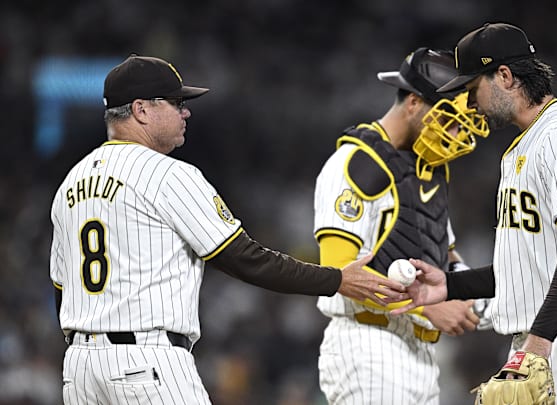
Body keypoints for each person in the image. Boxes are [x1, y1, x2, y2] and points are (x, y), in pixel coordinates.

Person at [49, 54, 409, 405]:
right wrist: (336, 279)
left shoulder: (70, 184)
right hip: (145, 364)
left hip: (80, 369)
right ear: (141, 109)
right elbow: (244, 259)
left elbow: (61, 290)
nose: (185, 111)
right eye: (175, 103)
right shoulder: (166, 174)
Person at [391, 22, 557, 404]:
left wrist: (539, 342)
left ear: (504, 76)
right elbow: (526, 270)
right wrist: (450, 286)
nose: (470, 103)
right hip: (544, 340)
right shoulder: (524, 145)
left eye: (472, 88)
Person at [312, 47, 490, 404]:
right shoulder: (358, 163)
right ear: (413, 102)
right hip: (368, 344)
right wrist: (431, 306)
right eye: (449, 118)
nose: (455, 131)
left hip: (421, 353)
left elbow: (443, 250)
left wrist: (465, 290)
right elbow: (337, 274)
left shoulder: (429, 169)